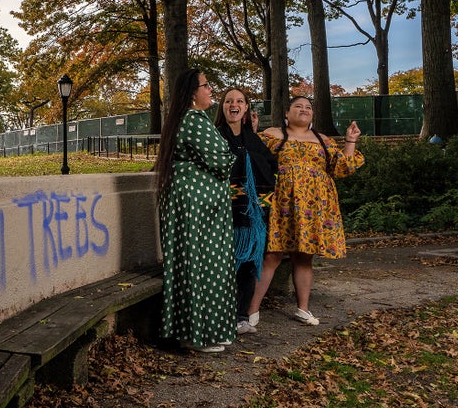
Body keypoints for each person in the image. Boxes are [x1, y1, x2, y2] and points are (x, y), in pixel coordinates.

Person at [246, 95, 363, 326]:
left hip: (314, 206)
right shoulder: (273, 135)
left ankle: (303, 308)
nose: (304, 109)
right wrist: (252, 131)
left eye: (308, 107)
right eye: (298, 106)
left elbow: (342, 168)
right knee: (272, 255)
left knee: (304, 256)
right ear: (286, 113)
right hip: (283, 203)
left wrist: (350, 141)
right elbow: (253, 158)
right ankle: (250, 311)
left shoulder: (323, 140)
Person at [155, 69, 237, 353]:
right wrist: (228, 156)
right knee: (203, 265)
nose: (211, 89)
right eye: (206, 85)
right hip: (197, 207)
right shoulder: (194, 120)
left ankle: (206, 331)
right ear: (192, 92)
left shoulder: (185, 120)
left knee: (199, 264)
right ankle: (195, 334)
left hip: (194, 205)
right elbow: (221, 160)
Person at [214, 88, 277, 336]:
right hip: (224, 212)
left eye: (239, 101)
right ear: (222, 107)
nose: (233, 104)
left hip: (252, 215)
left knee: (249, 263)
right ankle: (220, 315)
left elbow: (271, 164)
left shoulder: (253, 139)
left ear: (246, 108)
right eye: (229, 100)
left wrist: (248, 155)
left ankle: (241, 316)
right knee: (225, 264)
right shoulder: (216, 136)